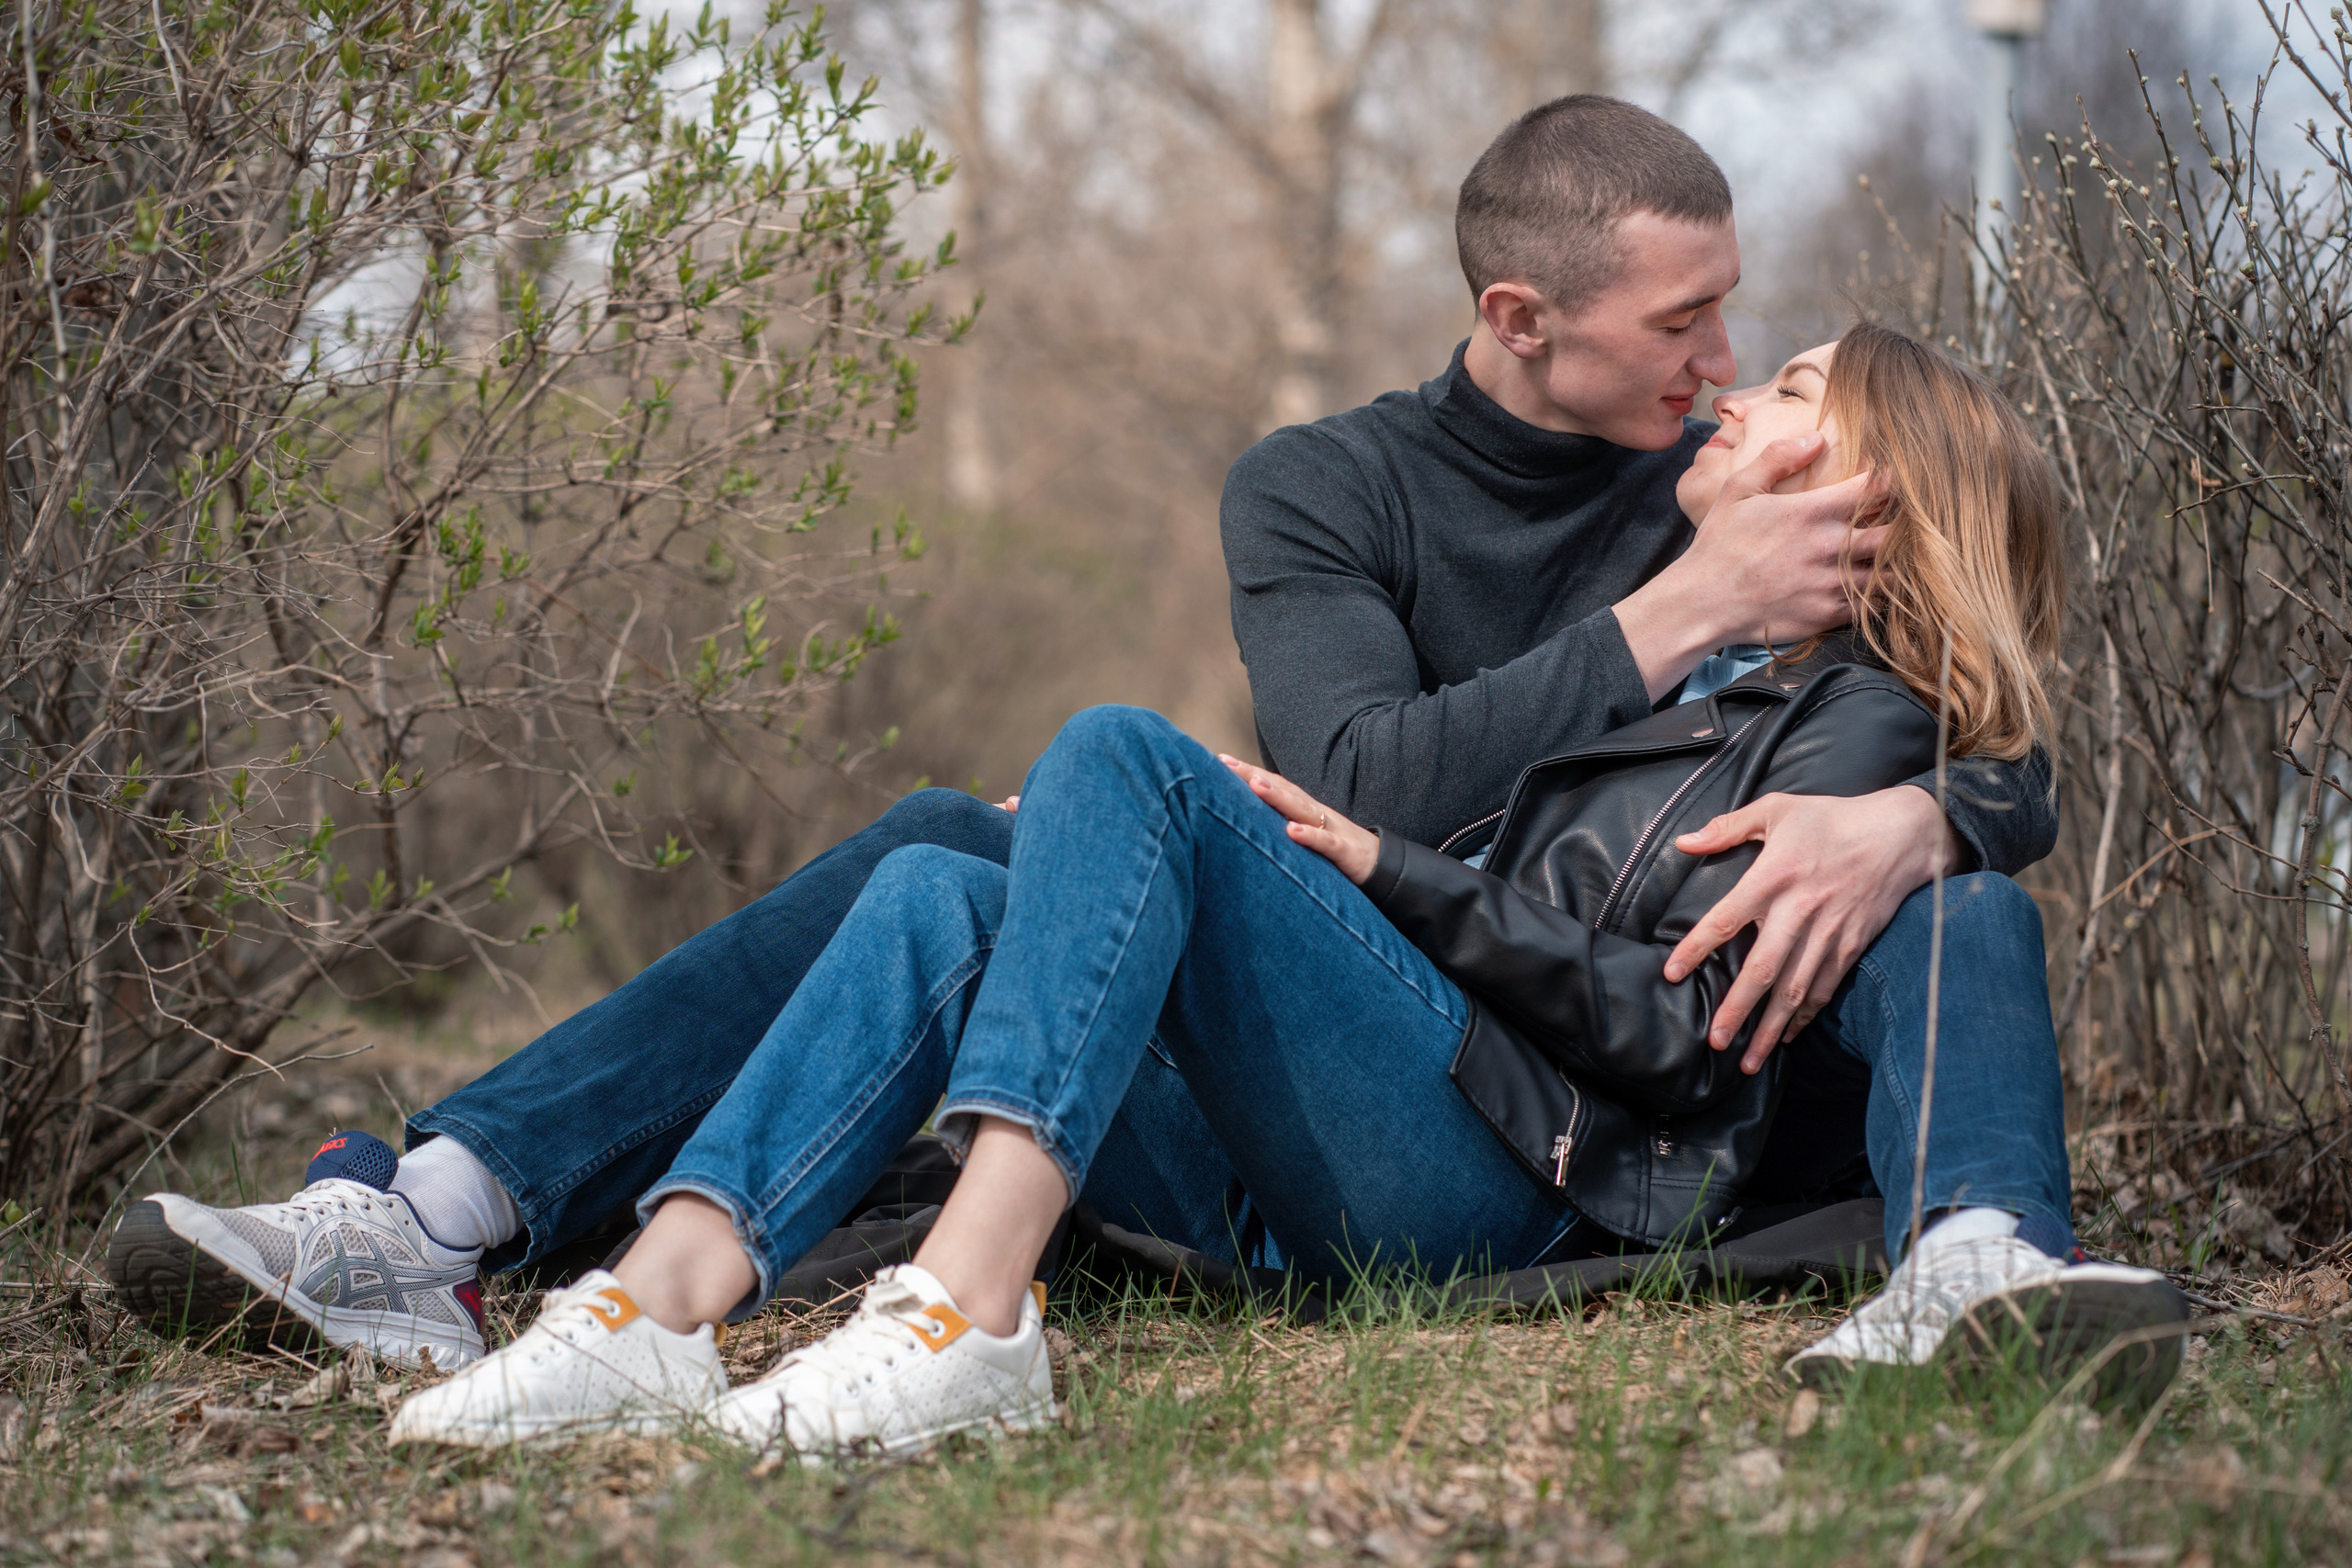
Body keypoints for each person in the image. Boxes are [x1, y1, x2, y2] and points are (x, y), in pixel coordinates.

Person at [108, 98, 2062, 1374]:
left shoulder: (1730, 501)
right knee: (953, 841)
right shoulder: (1334, 488)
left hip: (1504, 1103)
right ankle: (440, 1213)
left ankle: (823, 1288)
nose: (1720, 369)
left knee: (1056, 806)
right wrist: (1679, 613)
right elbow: (1360, 783)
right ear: (1521, 312)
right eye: (1682, 327)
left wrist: (1933, 817)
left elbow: (1954, 677)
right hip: (1361, 998)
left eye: (1736, 325)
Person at [369, 321, 2184, 1453]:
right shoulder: (1667, 628)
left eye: (1790, 389)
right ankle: (661, 1301)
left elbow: (1676, 1038)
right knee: (942, 879)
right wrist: (1302, 862)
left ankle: (964, 1312)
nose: (1731, 378)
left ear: (1878, 499)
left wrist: (1383, 868)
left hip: (1515, 1177)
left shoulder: (1851, 722)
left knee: (1121, 749)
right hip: (1356, 1135)